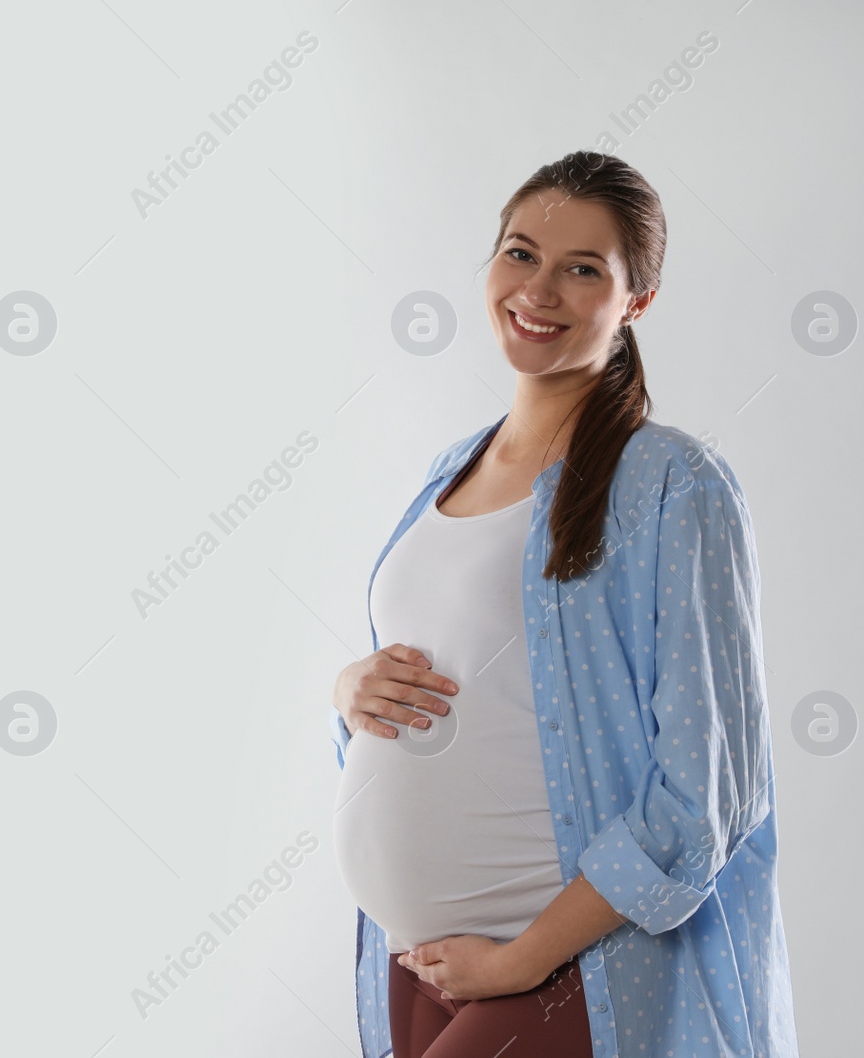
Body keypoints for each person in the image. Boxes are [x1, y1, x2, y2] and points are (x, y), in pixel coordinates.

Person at [328, 151, 799, 1058]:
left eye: (583, 268)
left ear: (634, 301)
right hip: (412, 960)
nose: (539, 289)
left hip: (564, 970)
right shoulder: (448, 469)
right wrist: (349, 688)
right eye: (520, 254)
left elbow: (705, 792)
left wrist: (522, 962)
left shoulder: (673, 483)